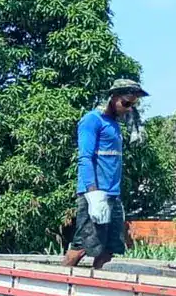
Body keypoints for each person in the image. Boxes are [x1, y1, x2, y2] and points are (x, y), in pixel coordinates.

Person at [63, 78, 148, 269]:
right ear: (113, 97)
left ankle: (94, 288)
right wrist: (93, 194)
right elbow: (85, 158)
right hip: (95, 194)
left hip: (113, 195)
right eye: (126, 103)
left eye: (132, 105)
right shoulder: (92, 120)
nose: (128, 108)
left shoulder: (114, 124)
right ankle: (56, 286)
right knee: (83, 244)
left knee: (110, 248)